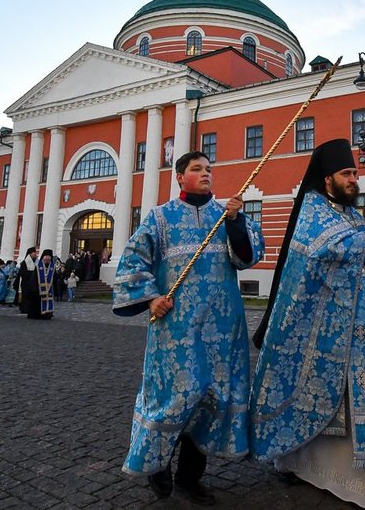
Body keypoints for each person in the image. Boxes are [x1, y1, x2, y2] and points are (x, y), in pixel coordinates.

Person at [250, 139, 365, 509]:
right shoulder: (311, 209)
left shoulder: (351, 216)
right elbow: (318, 252)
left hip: (359, 321)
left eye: (355, 173)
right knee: (319, 391)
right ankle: (301, 461)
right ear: (327, 179)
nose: (354, 179)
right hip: (322, 325)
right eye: (347, 174)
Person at [113, 151, 264, 504]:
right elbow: (133, 260)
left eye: (209, 169)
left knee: (212, 397)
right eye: (197, 169)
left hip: (222, 328)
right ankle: (158, 463)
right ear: (180, 177)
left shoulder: (225, 215)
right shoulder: (160, 218)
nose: (206, 173)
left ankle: (190, 477)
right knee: (177, 396)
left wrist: (236, 222)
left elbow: (248, 257)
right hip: (176, 328)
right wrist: (151, 298)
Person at [16, 247, 38, 315]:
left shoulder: (36, 262)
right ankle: (24, 309)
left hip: (33, 284)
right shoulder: (24, 263)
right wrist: (32, 273)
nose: (35, 254)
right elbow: (22, 273)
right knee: (25, 297)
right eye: (33, 253)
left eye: (35, 253)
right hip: (26, 283)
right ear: (30, 254)